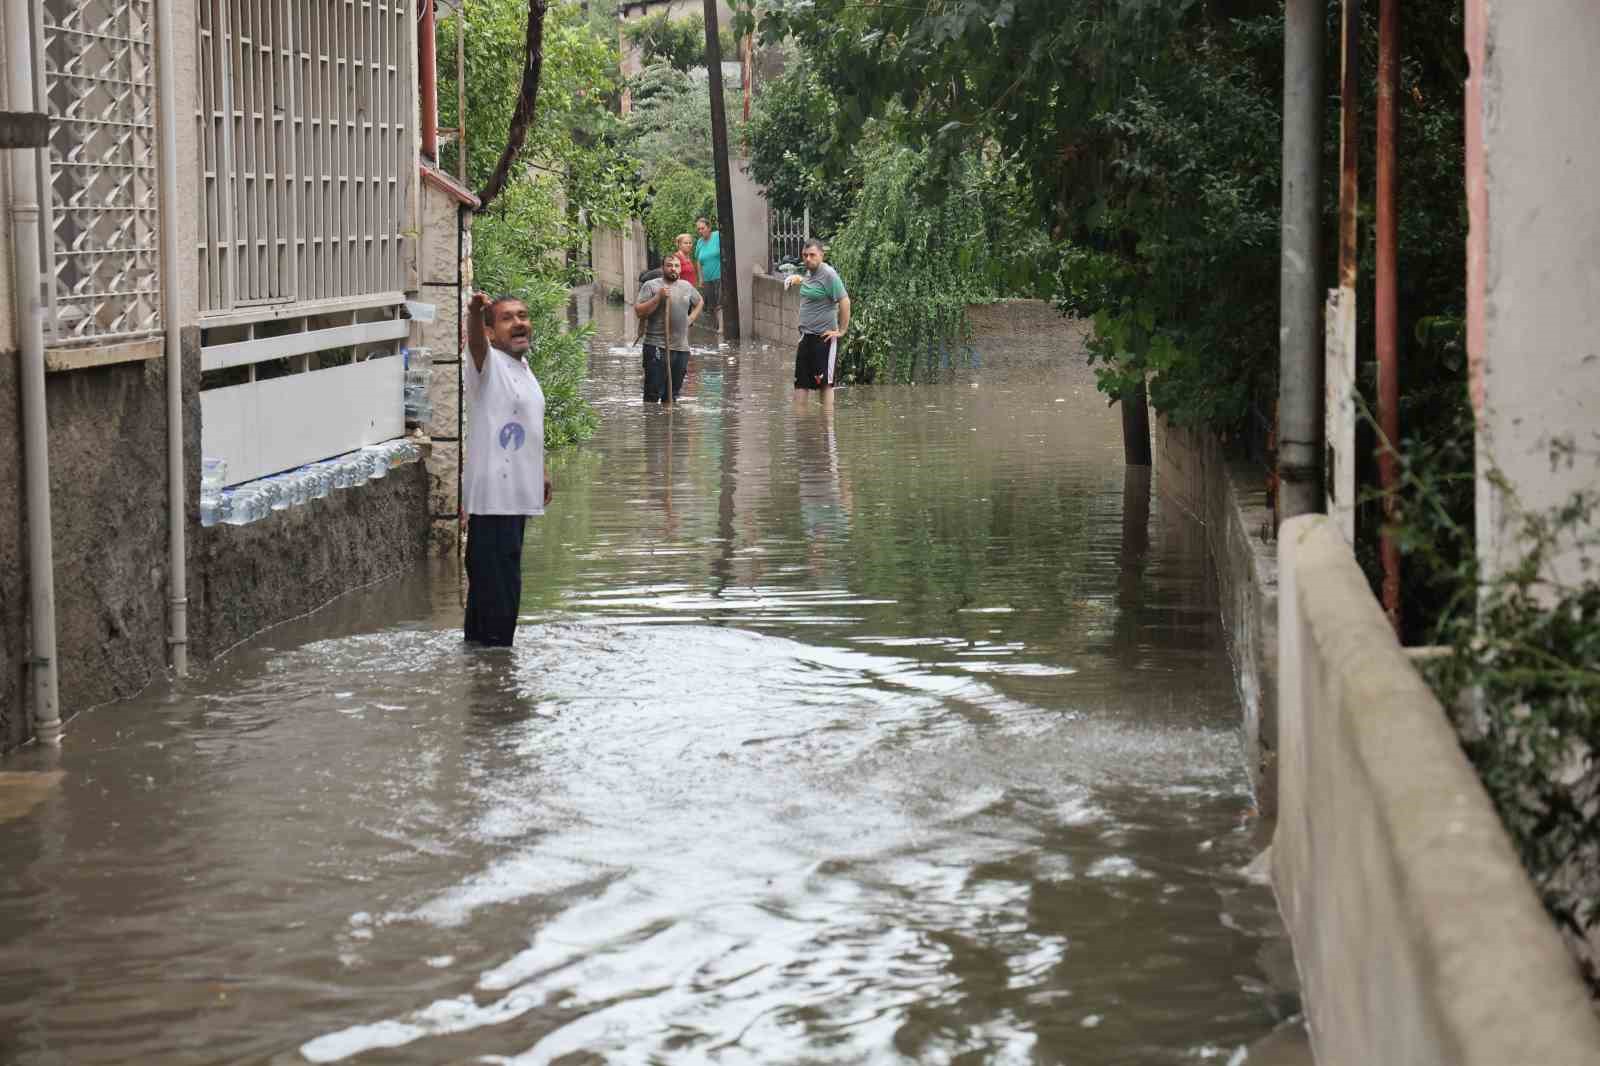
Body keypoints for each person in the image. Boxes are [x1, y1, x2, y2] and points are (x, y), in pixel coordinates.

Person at [462, 291, 553, 647]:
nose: (519, 323)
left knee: (496, 598)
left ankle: (483, 677)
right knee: (498, 599)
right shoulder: (487, 365)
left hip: (516, 499)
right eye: (507, 318)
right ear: (489, 331)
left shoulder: (523, 368)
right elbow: (473, 344)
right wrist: (473, 313)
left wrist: (541, 471)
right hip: (493, 501)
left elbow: (526, 424)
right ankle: (496, 684)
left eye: (523, 315)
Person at [785, 238, 851, 395]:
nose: (808, 259)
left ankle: (827, 420)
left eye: (812, 255)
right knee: (800, 386)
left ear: (822, 255)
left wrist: (841, 331)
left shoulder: (829, 274)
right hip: (805, 337)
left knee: (825, 387)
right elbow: (814, 290)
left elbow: (845, 301)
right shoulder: (809, 273)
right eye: (805, 255)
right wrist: (798, 280)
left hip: (824, 339)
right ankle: (801, 420)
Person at [634, 252, 703, 402]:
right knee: (652, 395)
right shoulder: (651, 286)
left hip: (681, 349)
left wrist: (690, 318)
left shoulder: (686, 286)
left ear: (680, 269)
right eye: (669, 266)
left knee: (672, 396)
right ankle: (652, 424)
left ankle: (667, 423)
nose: (673, 269)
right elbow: (639, 311)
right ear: (663, 268)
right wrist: (658, 297)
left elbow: (699, 302)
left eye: (677, 266)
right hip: (657, 346)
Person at [693, 217, 722, 333]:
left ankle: (721, 328)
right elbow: (699, 261)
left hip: (720, 276)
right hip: (707, 278)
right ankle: (717, 325)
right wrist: (700, 278)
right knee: (712, 304)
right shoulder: (700, 242)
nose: (701, 231)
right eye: (699, 229)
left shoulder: (717, 236)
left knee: (720, 302)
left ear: (709, 228)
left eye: (703, 228)